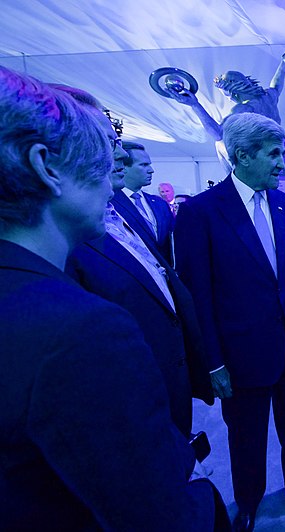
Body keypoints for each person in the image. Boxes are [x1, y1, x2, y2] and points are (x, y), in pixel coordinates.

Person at [0, 66, 216, 530]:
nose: (110, 177)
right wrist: (201, 490)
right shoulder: (78, 330)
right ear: (46, 166)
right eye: (101, 158)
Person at [174, 113, 285, 532]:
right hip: (239, 354)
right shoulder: (200, 213)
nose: (282, 162)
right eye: (273, 154)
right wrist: (213, 363)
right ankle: (249, 502)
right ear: (242, 156)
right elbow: (197, 295)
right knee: (246, 437)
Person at [62, 88, 213, 437]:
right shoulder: (67, 241)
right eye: (106, 141)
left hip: (168, 378)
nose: (119, 154)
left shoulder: (115, 217)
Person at [112, 142, 175, 266]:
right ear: (123, 167)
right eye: (144, 165)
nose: (151, 170)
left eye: (149, 165)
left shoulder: (160, 204)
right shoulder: (110, 204)